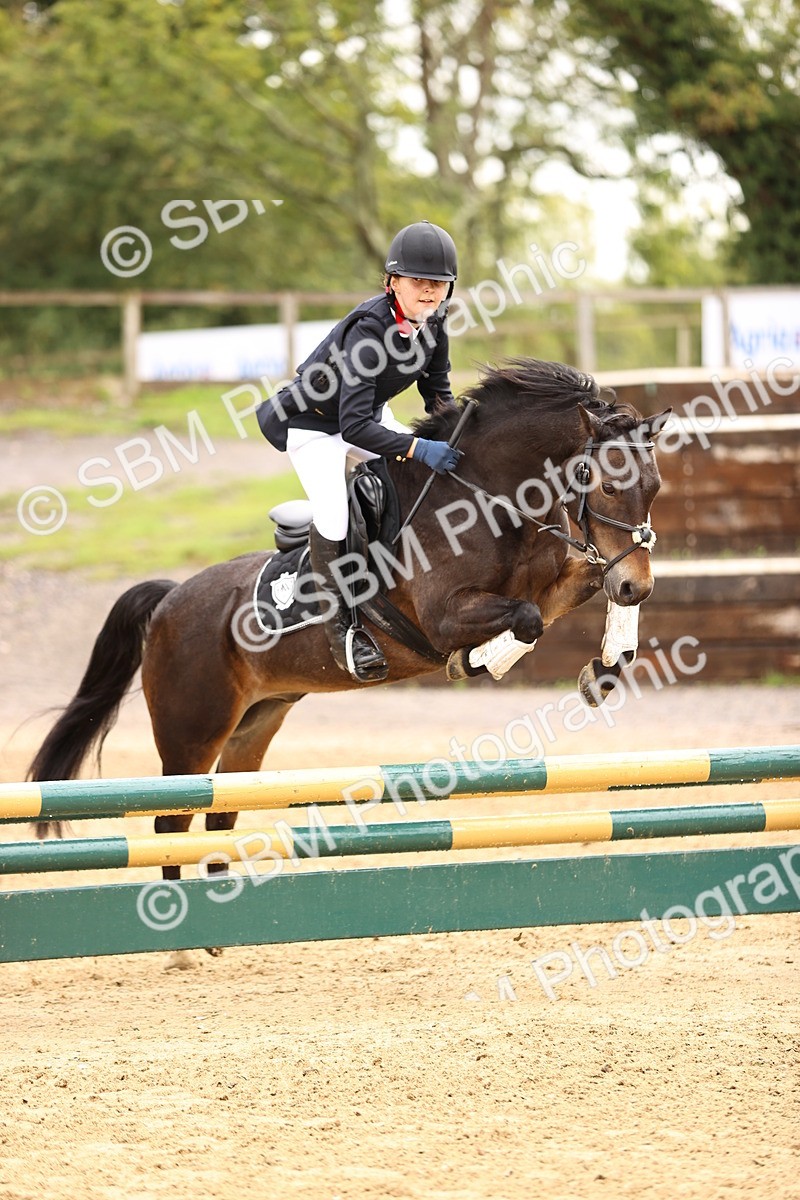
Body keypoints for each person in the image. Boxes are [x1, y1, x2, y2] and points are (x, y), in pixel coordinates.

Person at [257, 220, 463, 684]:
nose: (430, 292)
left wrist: (455, 433)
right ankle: (343, 631)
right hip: (312, 425)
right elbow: (354, 428)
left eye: (439, 284)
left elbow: (437, 391)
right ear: (393, 283)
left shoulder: (434, 325)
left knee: (403, 483)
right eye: (419, 283)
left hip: (365, 416)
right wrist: (418, 447)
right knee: (333, 516)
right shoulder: (368, 334)